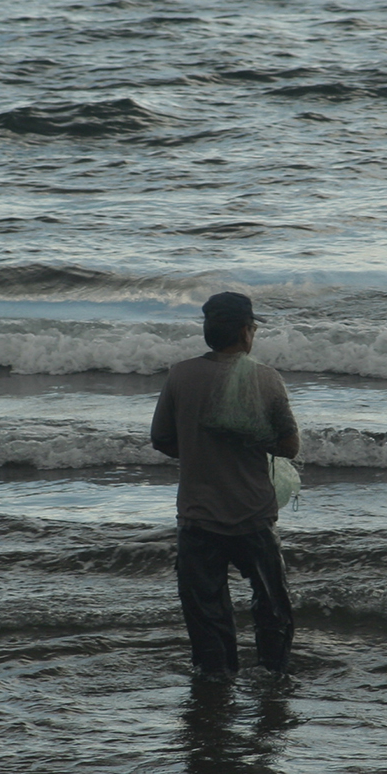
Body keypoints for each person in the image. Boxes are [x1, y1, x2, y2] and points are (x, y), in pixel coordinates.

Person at [150, 291, 301, 682]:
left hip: (198, 517)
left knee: (205, 608)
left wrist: (201, 446)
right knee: (271, 604)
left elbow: (162, 440)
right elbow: (289, 446)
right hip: (253, 515)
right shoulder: (265, 378)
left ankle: (216, 678)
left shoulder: (181, 374)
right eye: (252, 327)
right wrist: (248, 437)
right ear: (246, 332)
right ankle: (272, 675)